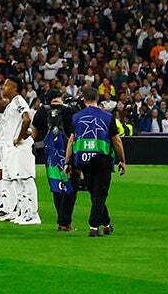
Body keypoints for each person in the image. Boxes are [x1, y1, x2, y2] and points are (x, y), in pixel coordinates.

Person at [64, 85, 126, 237]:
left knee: (95, 192)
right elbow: (116, 141)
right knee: (100, 193)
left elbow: (71, 140)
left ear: (84, 99)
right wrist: (122, 160)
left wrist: (67, 162)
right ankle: (93, 226)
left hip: (84, 159)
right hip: (102, 159)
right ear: (98, 99)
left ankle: (106, 224)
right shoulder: (108, 117)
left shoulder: (76, 117)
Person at [0, 79, 39, 225]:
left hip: (20, 148)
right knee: (16, 181)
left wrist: (19, 137)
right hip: (11, 149)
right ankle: (21, 212)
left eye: (6, 85)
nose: (3, 87)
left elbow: (27, 119)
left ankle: (33, 215)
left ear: (14, 87)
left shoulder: (18, 101)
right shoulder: (11, 104)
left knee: (25, 180)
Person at [38, 93, 79, 232]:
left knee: (56, 186)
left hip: (50, 156)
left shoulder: (42, 111)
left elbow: (35, 132)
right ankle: (65, 222)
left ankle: (62, 219)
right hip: (68, 154)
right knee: (70, 186)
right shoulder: (70, 110)